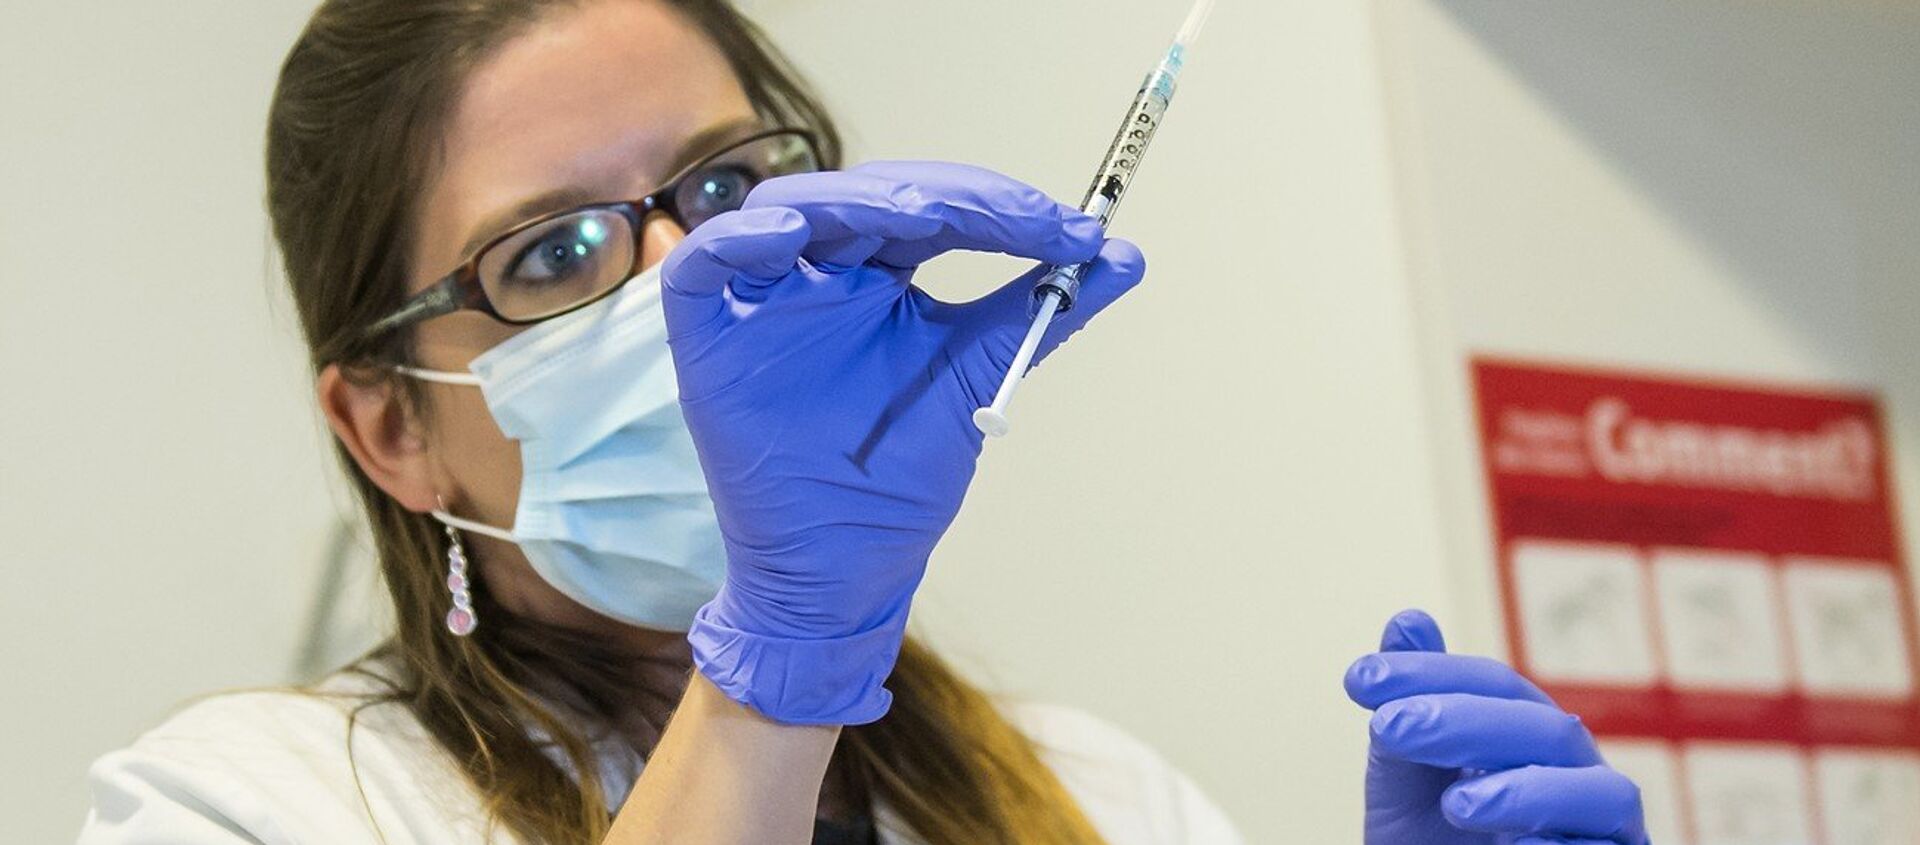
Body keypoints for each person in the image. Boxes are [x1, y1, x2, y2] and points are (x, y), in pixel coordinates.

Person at [75, 1, 1650, 843]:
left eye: (727, 183)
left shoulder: (1102, 798)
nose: (685, 275)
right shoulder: (244, 807)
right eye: (552, 251)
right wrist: (782, 661)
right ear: (388, 428)